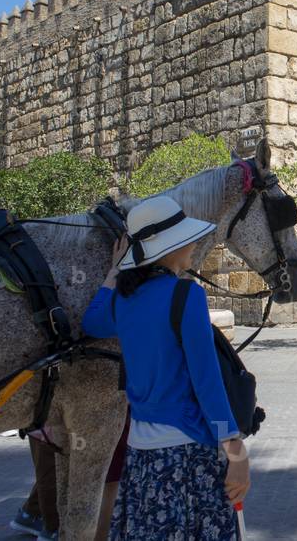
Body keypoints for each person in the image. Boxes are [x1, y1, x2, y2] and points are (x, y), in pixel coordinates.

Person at [82, 195, 249, 539]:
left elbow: (92, 322)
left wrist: (114, 272)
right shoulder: (186, 296)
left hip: (141, 454)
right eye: (187, 239)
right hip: (188, 454)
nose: (193, 244)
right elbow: (207, 384)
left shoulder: (123, 300)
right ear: (169, 249)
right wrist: (235, 450)